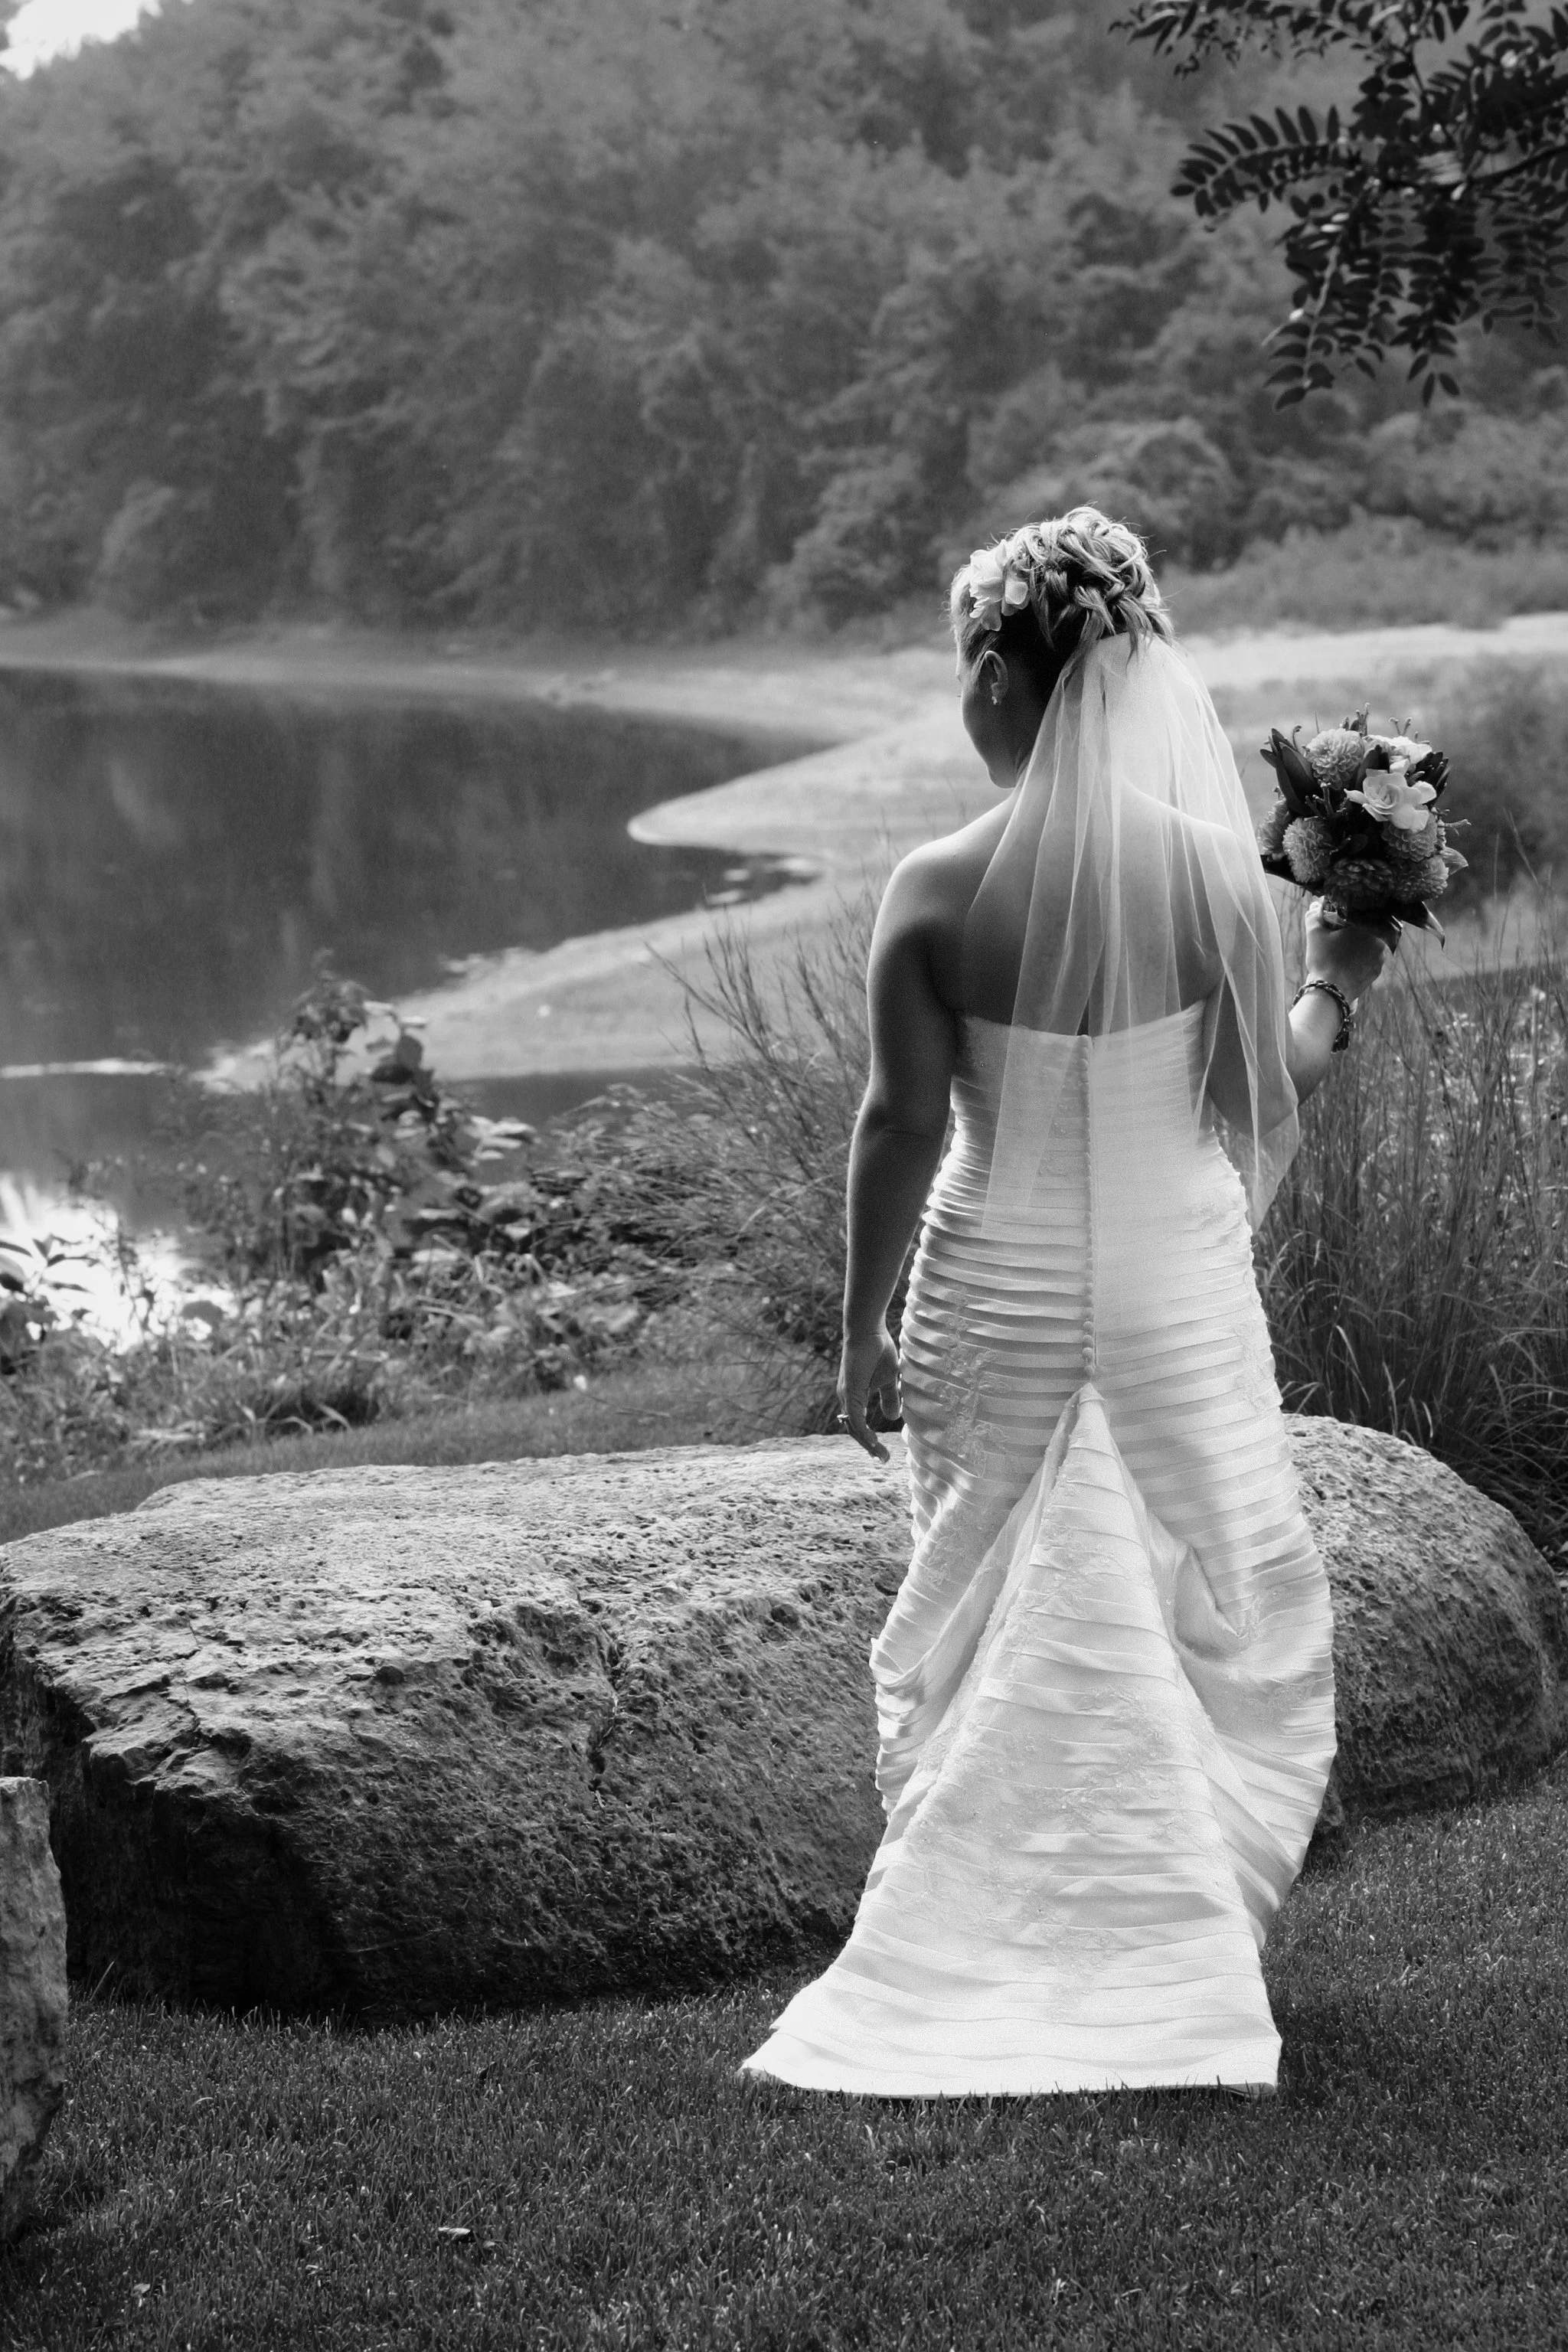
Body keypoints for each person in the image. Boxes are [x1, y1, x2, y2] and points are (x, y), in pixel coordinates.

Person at [742, 507, 1393, 2098]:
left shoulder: (934, 885)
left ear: (995, 673)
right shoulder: (1206, 879)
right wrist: (1335, 983)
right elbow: (1260, 1092)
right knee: (1175, 1601)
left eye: (961, 671)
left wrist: (858, 1323)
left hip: (998, 1286)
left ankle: (993, 1932)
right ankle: (1170, 1934)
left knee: (996, 1602)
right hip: (1169, 1286)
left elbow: (898, 1126)